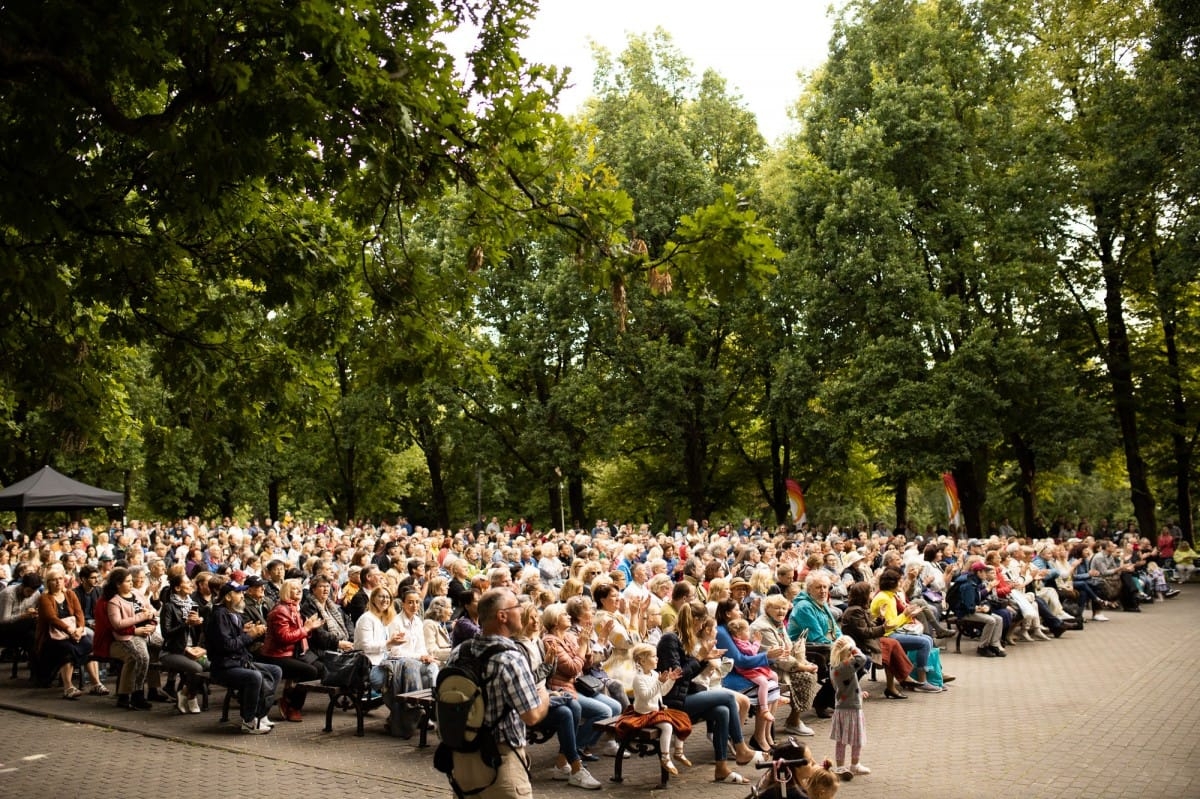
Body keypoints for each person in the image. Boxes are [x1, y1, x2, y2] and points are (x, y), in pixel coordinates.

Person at [444, 588, 550, 799]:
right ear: (502, 615)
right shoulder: (510, 658)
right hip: (500, 762)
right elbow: (531, 716)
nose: (521, 612)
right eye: (517, 608)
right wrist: (544, 696)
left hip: (463, 759)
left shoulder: (460, 651)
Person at [656, 601, 764, 784]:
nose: (700, 628)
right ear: (695, 620)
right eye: (700, 623)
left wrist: (705, 660)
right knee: (729, 697)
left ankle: (721, 769)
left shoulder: (682, 639)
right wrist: (700, 658)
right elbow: (678, 676)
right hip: (672, 701)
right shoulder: (670, 639)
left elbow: (690, 673)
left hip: (684, 695)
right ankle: (741, 748)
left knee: (722, 711)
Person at [543, 602, 620, 760]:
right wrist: (584, 645)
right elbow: (571, 668)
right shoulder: (550, 641)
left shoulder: (569, 636)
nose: (569, 616)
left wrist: (588, 650)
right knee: (604, 712)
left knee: (616, 707)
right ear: (555, 621)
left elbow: (585, 665)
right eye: (565, 615)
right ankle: (573, 750)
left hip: (580, 685)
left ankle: (582, 746)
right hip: (564, 688)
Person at [206, 580, 282, 734]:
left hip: (239, 662)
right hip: (224, 667)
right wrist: (250, 635)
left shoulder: (234, 613)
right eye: (239, 593)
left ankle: (261, 714)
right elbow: (227, 645)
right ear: (228, 597)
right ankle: (248, 721)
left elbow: (235, 639)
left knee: (275, 670)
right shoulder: (220, 615)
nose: (242, 596)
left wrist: (243, 631)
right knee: (254, 677)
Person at [612, 642, 692, 776]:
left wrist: (670, 681)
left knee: (682, 717)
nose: (657, 659)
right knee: (667, 726)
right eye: (654, 656)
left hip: (656, 712)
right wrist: (659, 682)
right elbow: (645, 696)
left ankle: (678, 751)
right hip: (643, 714)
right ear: (642, 660)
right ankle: (665, 758)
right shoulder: (638, 679)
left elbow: (662, 692)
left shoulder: (655, 675)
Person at [35, 564, 101, 698]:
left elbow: (79, 613)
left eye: (60, 578)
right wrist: (70, 630)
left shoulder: (70, 594)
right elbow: (51, 618)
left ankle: (96, 684)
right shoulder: (45, 598)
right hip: (53, 636)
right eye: (54, 579)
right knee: (67, 650)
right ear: (48, 582)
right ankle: (68, 687)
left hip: (73, 632)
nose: (58, 582)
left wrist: (80, 628)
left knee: (89, 645)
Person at [104, 566, 157, 709]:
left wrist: (151, 622)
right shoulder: (114, 601)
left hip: (147, 630)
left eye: (130, 581)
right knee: (142, 657)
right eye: (127, 581)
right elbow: (117, 624)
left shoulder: (136, 593)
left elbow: (151, 609)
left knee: (163, 646)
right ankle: (137, 693)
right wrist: (139, 620)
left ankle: (156, 688)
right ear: (118, 584)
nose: (131, 583)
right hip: (127, 636)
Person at [159, 570, 208, 714]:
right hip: (172, 651)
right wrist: (186, 623)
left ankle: (186, 693)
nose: (190, 584)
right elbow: (166, 633)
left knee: (209, 666)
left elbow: (197, 632)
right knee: (197, 669)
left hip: (191, 649)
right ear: (177, 588)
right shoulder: (169, 607)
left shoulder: (192, 605)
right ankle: (190, 696)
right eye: (186, 582)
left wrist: (199, 623)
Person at [828, 635, 870, 776]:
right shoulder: (844, 667)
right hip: (850, 708)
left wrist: (858, 692)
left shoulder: (835, 667)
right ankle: (853, 764)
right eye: (851, 652)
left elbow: (845, 686)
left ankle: (843, 766)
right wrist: (854, 648)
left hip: (844, 705)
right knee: (855, 740)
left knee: (843, 740)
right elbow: (862, 659)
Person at [726, 617, 777, 723]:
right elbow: (752, 652)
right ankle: (764, 708)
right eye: (747, 630)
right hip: (747, 669)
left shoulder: (743, 641)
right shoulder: (739, 643)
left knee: (774, 675)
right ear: (739, 634)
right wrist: (757, 642)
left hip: (753, 666)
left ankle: (776, 696)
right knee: (763, 683)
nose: (749, 632)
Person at [952, 562, 1006, 657]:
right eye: (985, 572)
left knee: (999, 619)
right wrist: (980, 609)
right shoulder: (968, 585)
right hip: (964, 613)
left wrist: (983, 607)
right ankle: (982, 647)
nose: (986, 574)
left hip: (972, 609)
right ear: (979, 572)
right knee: (991, 620)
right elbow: (968, 607)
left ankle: (994, 644)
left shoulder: (975, 581)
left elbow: (977, 599)